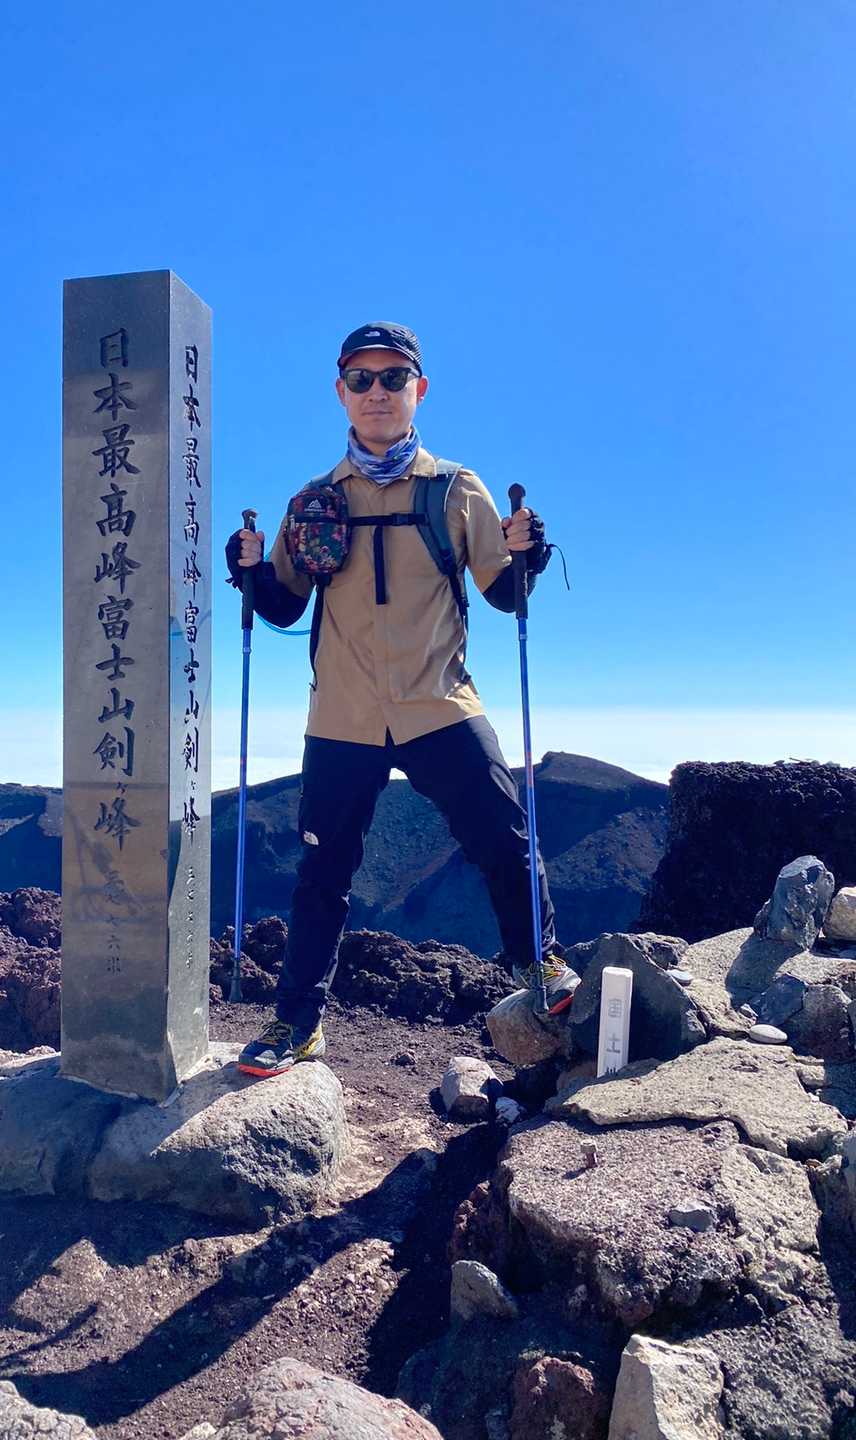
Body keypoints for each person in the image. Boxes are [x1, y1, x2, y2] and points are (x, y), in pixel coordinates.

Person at [225, 322, 578, 1078]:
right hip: (343, 715)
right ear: (341, 392)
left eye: (393, 378)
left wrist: (529, 552)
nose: (377, 392)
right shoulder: (313, 501)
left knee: (503, 837)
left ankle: (540, 963)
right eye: (362, 379)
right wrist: (246, 570)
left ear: (419, 389)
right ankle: (297, 1024)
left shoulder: (455, 489)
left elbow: (505, 592)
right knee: (322, 875)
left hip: (438, 703)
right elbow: (282, 604)